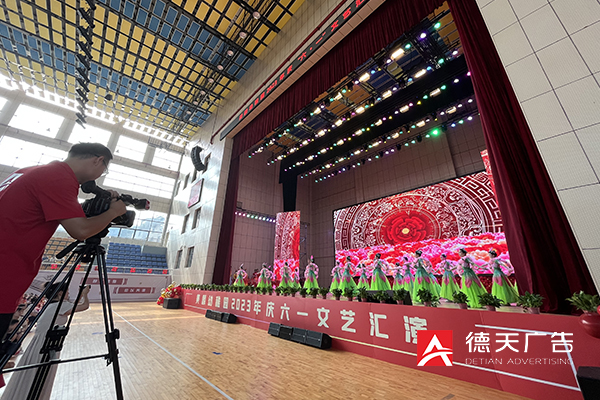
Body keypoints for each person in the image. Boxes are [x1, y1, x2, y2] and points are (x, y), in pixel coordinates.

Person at [0, 143, 126, 344]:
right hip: (5, 273)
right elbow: (81, 230)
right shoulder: (59, 179)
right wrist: (113, 212)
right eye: (104, 170)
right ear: (98, 160)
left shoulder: (32, 171)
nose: (100, 175)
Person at [1, 282, 90, 400]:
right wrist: (85, 294)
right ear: (60, 293)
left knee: (33, 372)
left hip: (41, 342)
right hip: (48, 343)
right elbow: (84, 306)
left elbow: (73, 305)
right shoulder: (61, 306)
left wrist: (81, 294)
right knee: (42, 373)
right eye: (67, 292)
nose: (68, 294)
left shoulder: (52, 304)